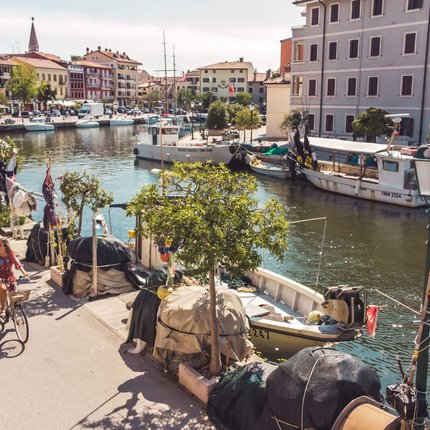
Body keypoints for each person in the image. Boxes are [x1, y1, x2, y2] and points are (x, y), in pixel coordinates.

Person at [0, 238, 28, 316]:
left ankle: (15, 310)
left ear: (5, 246)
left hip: (9, 276)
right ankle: (2, 309)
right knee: (3, 289)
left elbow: (17, 263)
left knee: (14, 292)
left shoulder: (10, 254)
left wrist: (24, 272)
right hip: (0, 277)